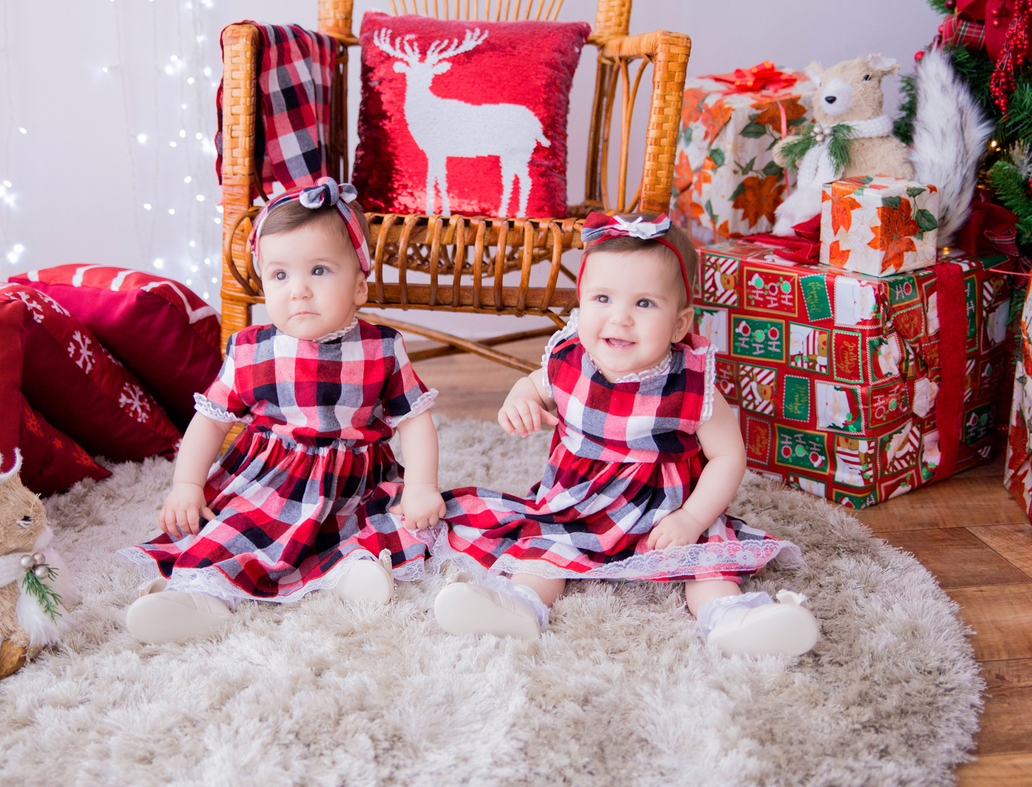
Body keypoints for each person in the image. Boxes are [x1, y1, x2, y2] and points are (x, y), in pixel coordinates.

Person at [431, 212, 819, 656]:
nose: (620, 318)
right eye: (602, 298)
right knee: (544, 548)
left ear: (679, 324)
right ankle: (519, 606)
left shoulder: (691, 385)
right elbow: (533, 386)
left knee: (710, 562)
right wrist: (519, 400)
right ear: (580, 306)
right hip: (579, 502)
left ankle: (731, 619)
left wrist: (691, 519)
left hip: (666, 510)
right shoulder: (570, 360)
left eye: (644, 304)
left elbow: (729, 457)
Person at [120, 178, 445, 644]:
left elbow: (413, 420)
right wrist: (187, 485)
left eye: (318, 271)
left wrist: (421, 486)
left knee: (380, 524)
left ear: (358, 286)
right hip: (272, 476)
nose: (299, 291)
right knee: (237, 527)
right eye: (280, 275)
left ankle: (352, 575)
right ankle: (200, 597)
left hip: (355, 478)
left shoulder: (383, 348)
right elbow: (211, 420)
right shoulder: (251, 349)